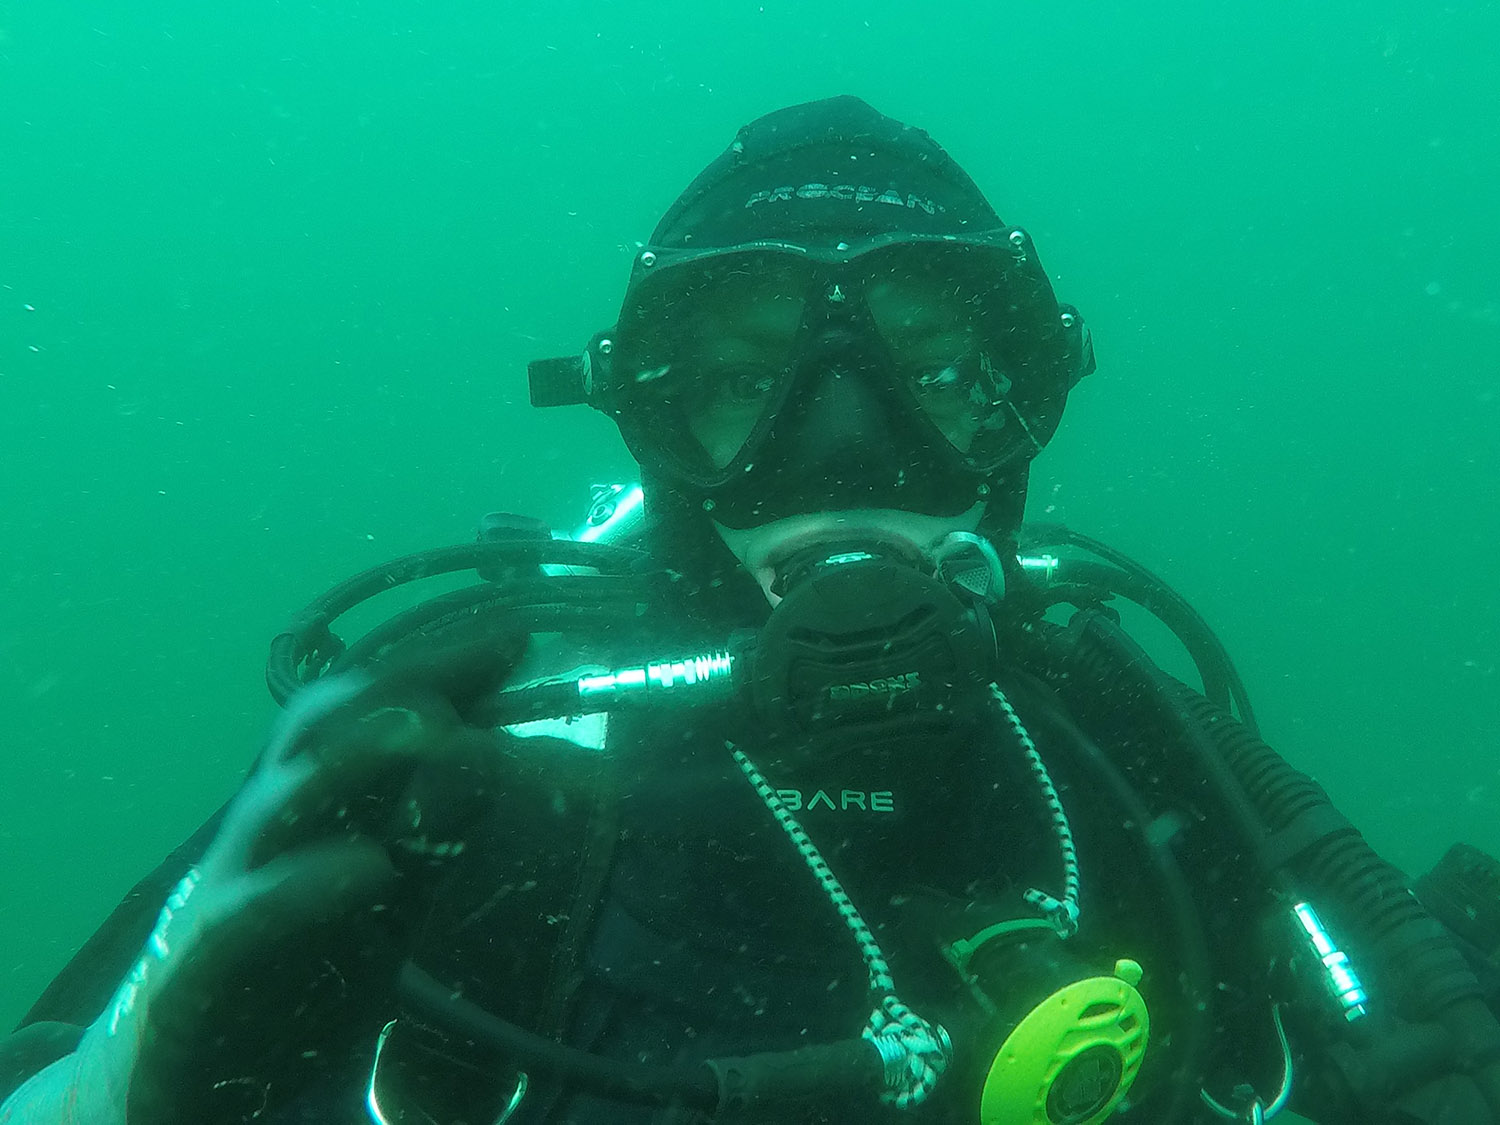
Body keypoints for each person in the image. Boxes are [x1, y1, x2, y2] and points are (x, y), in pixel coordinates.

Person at [2, 95, 1498, 1125]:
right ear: (648, 422)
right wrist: (131, 1077)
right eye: (739, 378)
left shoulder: (1136, 743)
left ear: (1023, 411)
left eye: (939, 369)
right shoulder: (457, 759)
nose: (844, 446)